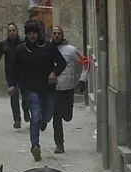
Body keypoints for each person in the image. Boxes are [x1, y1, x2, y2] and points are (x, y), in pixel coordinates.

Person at [8, 20, 66, 162]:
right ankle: (35, 146)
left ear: (38, 33)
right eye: (29, 34)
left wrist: (54, 73)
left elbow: (62, 63)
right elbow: (15, 69)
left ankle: (42, 122)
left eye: (34, 33)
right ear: (26, 35)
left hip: (48, 88)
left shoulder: (48, 47)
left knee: (46, 116)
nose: (32, 36)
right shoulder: (21, 50)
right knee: (35, 116)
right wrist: (12, 85)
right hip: (31, 88)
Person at [48, 26, 88, 154]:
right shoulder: (47, 49)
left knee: (67, 116)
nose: (56, 36)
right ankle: (59, 144)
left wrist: (83, 80)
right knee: (56, 116)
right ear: (51, 35)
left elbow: (85, 62)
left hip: (68, 89)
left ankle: (66, 114)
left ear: (63, 35)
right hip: (53, 89)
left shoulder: (71, 50)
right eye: (54, 33)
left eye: (59, 33)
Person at [0, 22, 29, 128]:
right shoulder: (4, 44)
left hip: (23, 73)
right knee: (14, 96)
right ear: (7, 33)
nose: (12, 32)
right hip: (11, 74)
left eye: (13, 30)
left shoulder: (23, 43)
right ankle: (17, 119)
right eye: (9, 31)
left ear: (17, 31)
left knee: (26, 96)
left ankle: (26, 110)